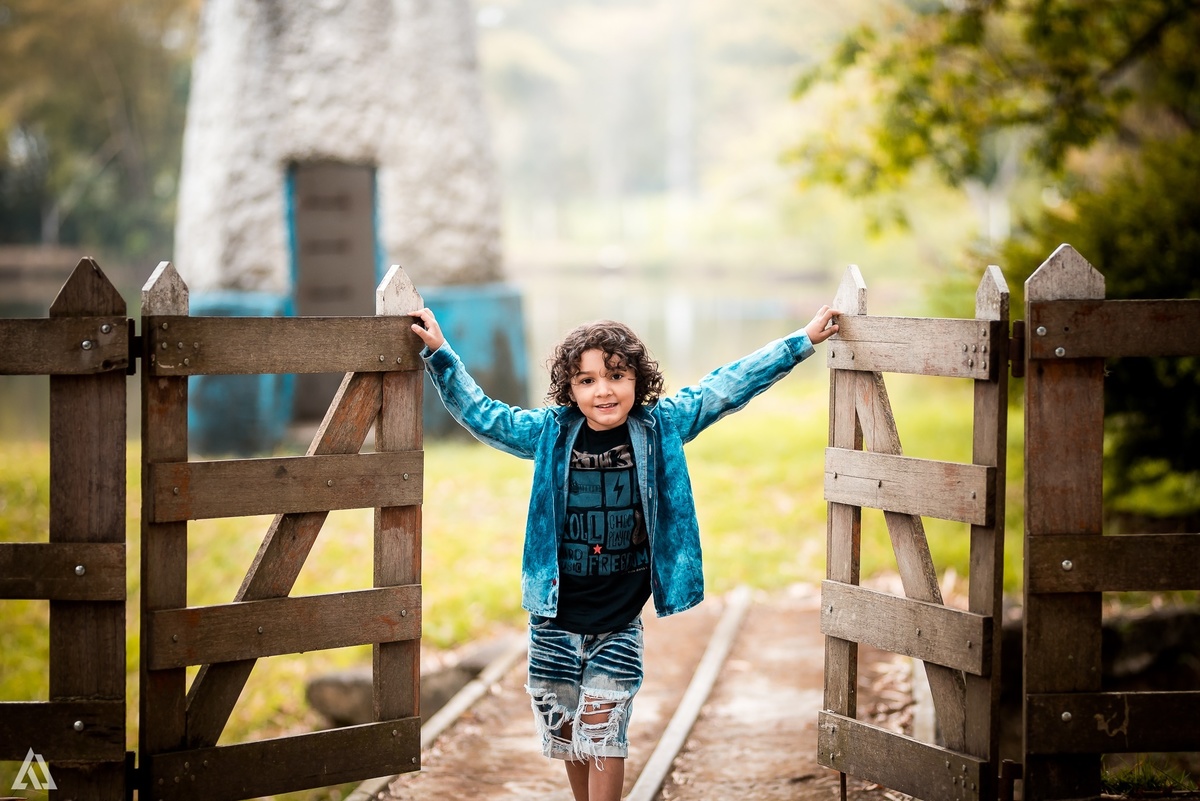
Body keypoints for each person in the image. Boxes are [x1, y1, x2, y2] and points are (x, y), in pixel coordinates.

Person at [409, 305, 840, 801]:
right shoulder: (551, 433)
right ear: (570, 389)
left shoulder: (660, 428)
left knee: (604, 733)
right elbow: (485, 416)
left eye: (616, 376)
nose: (604, 391)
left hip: (618, 622)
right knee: (568, 736)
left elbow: (726, 386)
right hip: (553, 620)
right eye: (587, 380)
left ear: (638, 379)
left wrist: (801, 341)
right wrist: (440, 354)